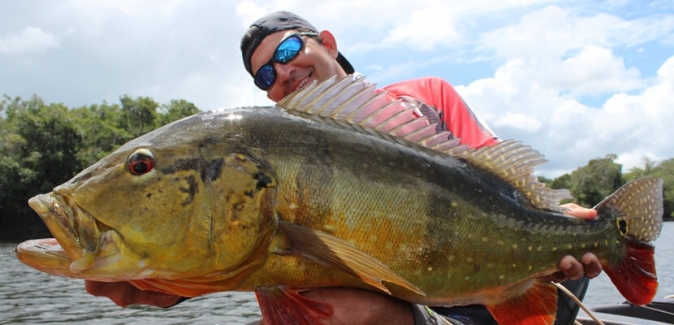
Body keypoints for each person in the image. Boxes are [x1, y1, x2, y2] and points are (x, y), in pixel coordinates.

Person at [86, 11, 602, 325]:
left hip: (470, 309)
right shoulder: (266, 150)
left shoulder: (427, 95)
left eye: (289, 49)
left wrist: (560, 219)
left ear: (327, 43)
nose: (283, 71)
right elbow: (246, 248)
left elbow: (499, 179)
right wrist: (168, 280)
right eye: (265, 74)